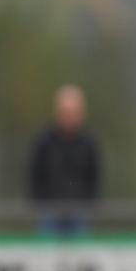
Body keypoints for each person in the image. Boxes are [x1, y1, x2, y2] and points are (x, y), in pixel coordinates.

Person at [28, 84, 101, 234]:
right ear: (57, 112)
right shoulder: (44, 141)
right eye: (66, 112)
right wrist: (41, 201)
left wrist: (87, 200)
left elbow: (94, 175)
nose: (69, 117)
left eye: (73, 112)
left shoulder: (89, 143)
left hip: (79, 213)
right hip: (49, 212)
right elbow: (34, 174)